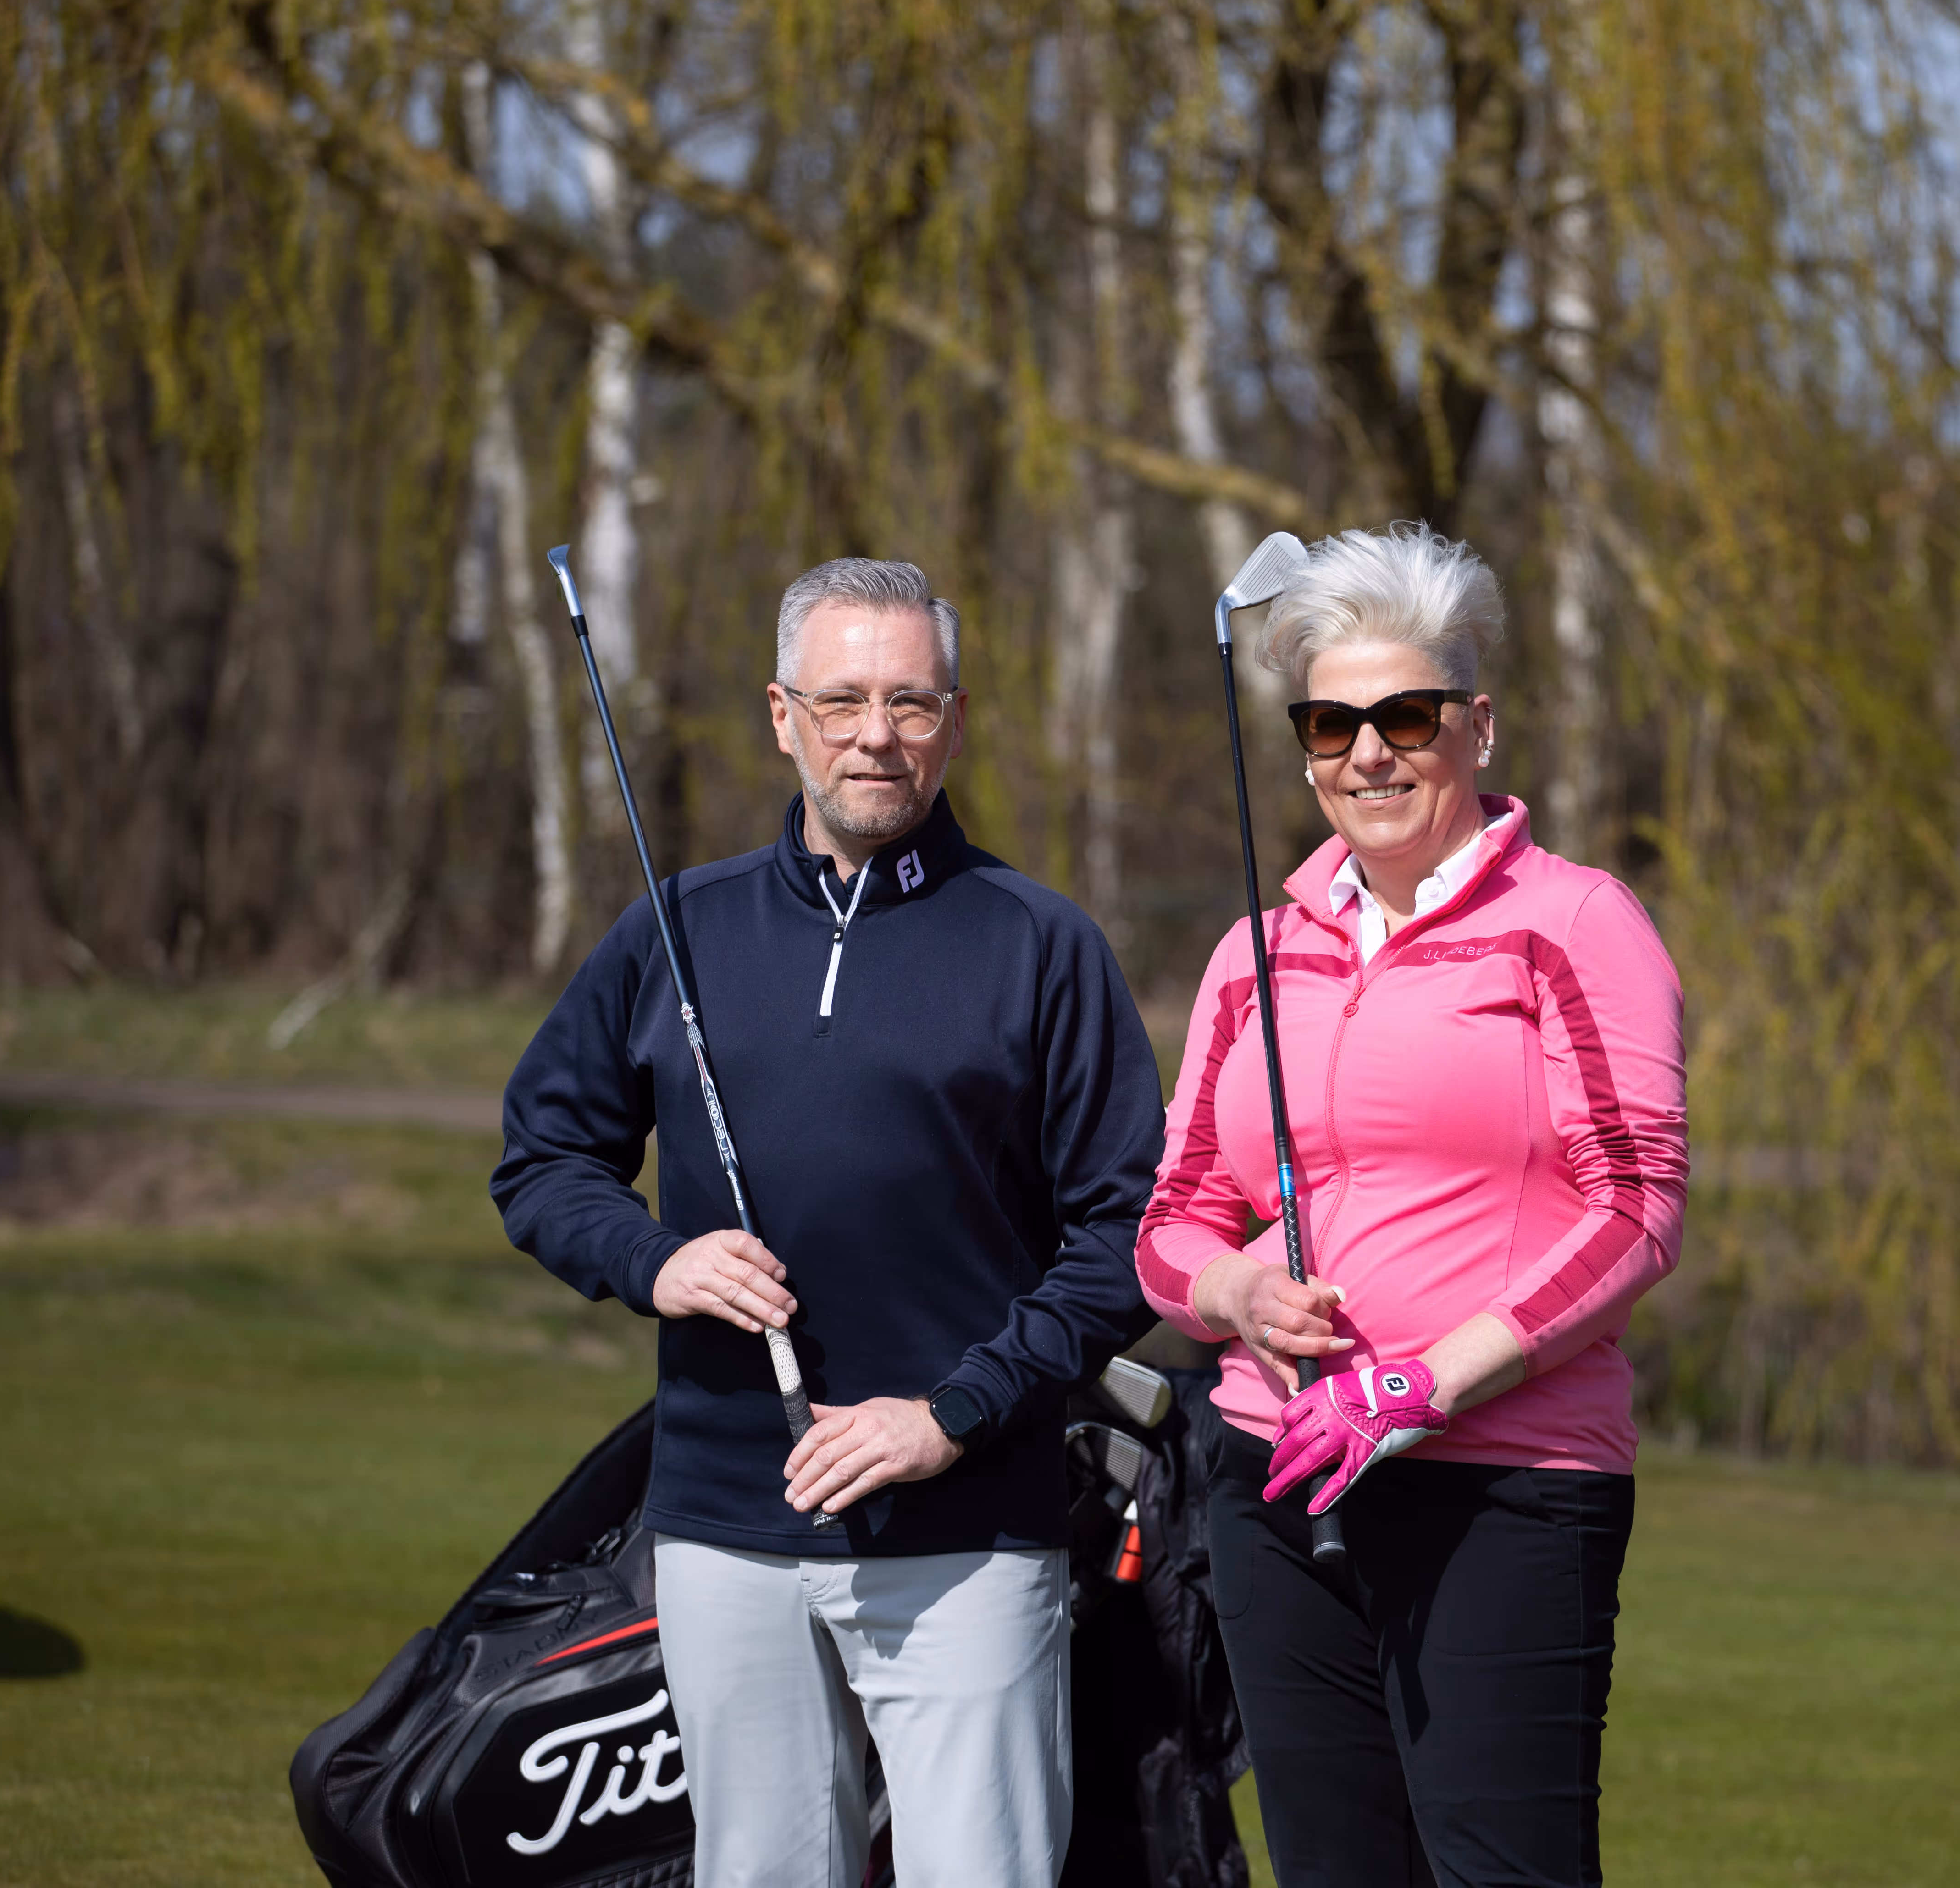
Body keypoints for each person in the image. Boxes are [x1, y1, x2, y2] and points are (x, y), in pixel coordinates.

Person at [494, 556, 1162, 1888]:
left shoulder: (1039, 944)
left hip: (967, 1538)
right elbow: (545, 1157)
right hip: (723, 1529)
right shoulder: (676, 927)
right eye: (843, 699)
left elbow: (1126, 1232)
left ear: (955, 722)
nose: (877, 735)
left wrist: (952, 1413)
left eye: (912, 703)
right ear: (781, 714)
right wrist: (653, 1258)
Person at [1134, 523, 1688, 1888]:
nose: (1369, 754)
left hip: (1502, 1487)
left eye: (1406, 716)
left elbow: (1637, 1208)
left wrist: (1427, 1383)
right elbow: (1173, 1217)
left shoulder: (1574, 923)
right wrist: (1233, 1294)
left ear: (1477, 726)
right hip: (1277, 1481)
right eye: (1333, 723)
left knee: (1500, 1868)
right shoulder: (1256, 954)